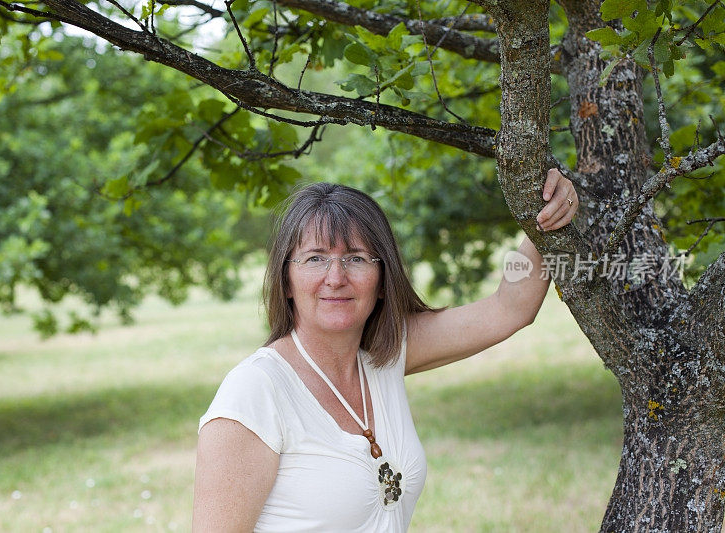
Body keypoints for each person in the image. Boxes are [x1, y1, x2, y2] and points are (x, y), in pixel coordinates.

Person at [193, 169, 578, 532]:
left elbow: (508, 309)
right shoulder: (254, 392)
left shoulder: (382, 355)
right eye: (315, 259)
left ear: (381, 280)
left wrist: (542, 216)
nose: (336, 278)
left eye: (356, 258)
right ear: (286, 281)